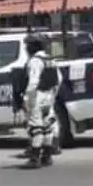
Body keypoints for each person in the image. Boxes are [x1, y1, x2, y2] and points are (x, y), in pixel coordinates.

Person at [18, 34, 62, 169]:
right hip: (49, 95)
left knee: (35, 127)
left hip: (37, 96)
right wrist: (53, 95)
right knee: (47, 125)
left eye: (28, 45)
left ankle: (34, 158)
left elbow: (33, 82)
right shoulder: (50, 59)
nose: (26, 48)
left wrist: (27, 98)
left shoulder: (35, 61)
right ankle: (47, 156)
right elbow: (58, 79)